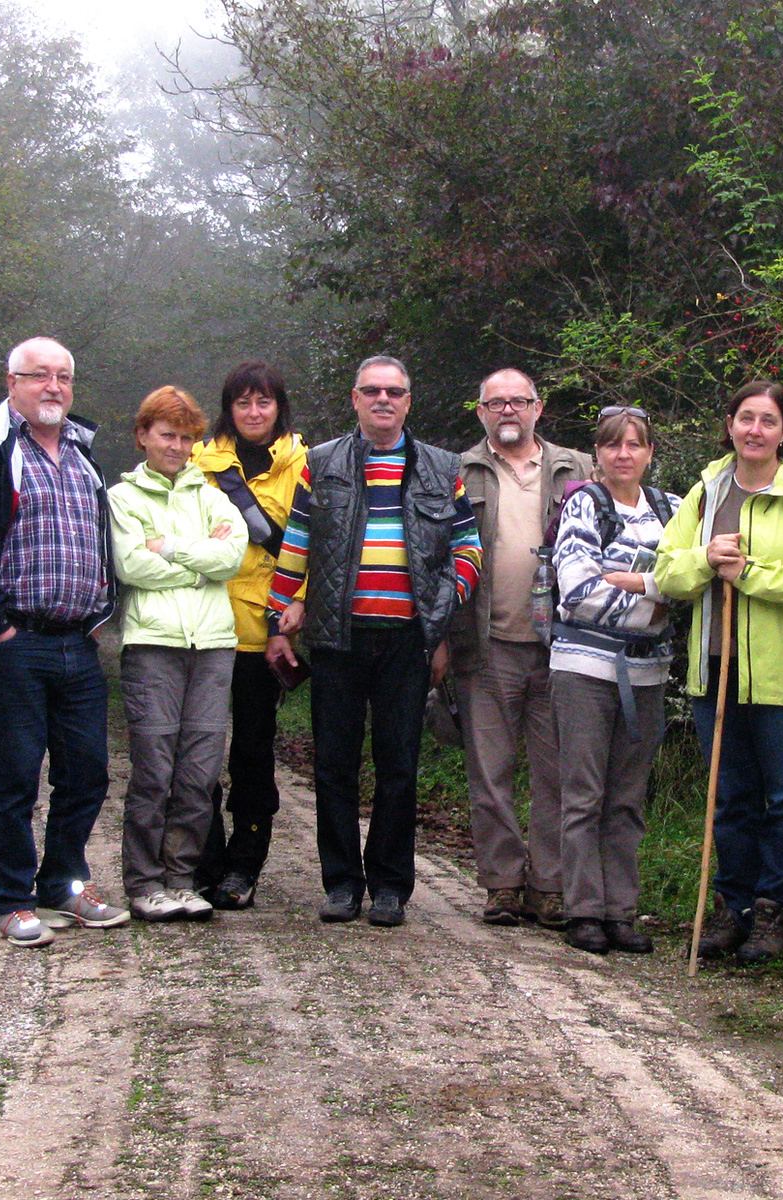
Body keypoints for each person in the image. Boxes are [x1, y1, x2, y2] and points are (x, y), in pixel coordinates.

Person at [265, 356, 481, 928]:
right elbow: (297, 542)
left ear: (409, 401)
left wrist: (438, 616)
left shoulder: (441, 466)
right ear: (355, 399)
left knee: (398, 767)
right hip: (337, 638)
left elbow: (468, 548)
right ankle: (341, 885)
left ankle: (389, 887)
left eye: (395, 391)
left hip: (408, 642)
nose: (383, 399)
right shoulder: (322, 462)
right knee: (334, 767)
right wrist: (275, 618)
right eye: (372, 391)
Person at [0, 336, 130, 948]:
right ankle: (12, 898)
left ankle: (62, 885)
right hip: (13, 642)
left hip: (77, 642)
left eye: (63, 377)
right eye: (39, 375)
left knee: (88, 774)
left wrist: (102, 615)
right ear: (11, 381)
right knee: (16, 774)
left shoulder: (82, 453)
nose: (53, 387)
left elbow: (97, 541)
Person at [655, 382, 783, 964]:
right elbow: (668, 571)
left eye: (768, 420)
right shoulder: (706, 493)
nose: (755, 430)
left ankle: (777, 912)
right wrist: (705, 560)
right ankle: (733, 909)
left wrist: (748, 572)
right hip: (717, 673)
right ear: (729, 425)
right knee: (730, 798)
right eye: (745, 418)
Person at [449, 368, 593, 929]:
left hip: (561, 647)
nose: (508, 411)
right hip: (485, 647)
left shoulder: (574, 468)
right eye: (496, 403)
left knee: (557, 771)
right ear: (481, 412)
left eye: (519, 401)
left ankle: (550, 885)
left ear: (539, 408)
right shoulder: (458, 471)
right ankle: (503, 884)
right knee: (491, 772)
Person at [108, 386, 247, 922]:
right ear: (143, 436)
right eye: (168, 435)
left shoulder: (211, 496)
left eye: (188, 437)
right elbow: (130, 567)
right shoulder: (123, 498)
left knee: (199, 773)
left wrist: (166, 547)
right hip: (153, 648)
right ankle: (144, 884)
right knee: (154, 772)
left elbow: (232, 556)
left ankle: (182, 878)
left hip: (213, 646)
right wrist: (200, 562)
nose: (178, 446)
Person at [549, 406, 679, 955]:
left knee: (628, 798)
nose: (623, 454)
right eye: (611, 445)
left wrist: (633, 578)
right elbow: (576, 588)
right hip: (583, 669)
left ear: (650, 452)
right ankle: (582, 910)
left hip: (649, 675)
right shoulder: (584, 503)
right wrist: (653, 602)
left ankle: (621, 911)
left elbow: (688, 581)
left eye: (634, 445)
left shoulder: (673, 509)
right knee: (584, 794)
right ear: (597, 453)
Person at [190, 363, 309, 911]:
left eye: (264, 402)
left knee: (253, 752)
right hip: (207, 627)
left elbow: (314, 542)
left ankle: (244, 864)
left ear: (279, 406)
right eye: (243, 403)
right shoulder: (199, 462)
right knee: (199, 751)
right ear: (228, 409)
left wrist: (295, 606)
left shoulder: (304, 464)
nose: (254, 412)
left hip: (267, 631)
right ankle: (203, 859)